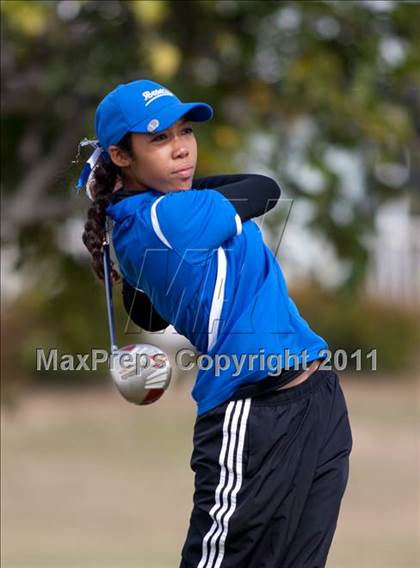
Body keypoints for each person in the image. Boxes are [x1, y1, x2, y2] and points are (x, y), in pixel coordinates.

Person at [80, 79, 353, 568]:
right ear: (121, 156)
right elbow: (262, 189)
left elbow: (149, 312)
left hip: (316, 401)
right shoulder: (165, 219)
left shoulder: (151, 215)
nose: (182, 148)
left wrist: (127, 187)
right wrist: (139, 193)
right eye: (159, 139)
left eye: (185, 131)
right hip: (252, 416)